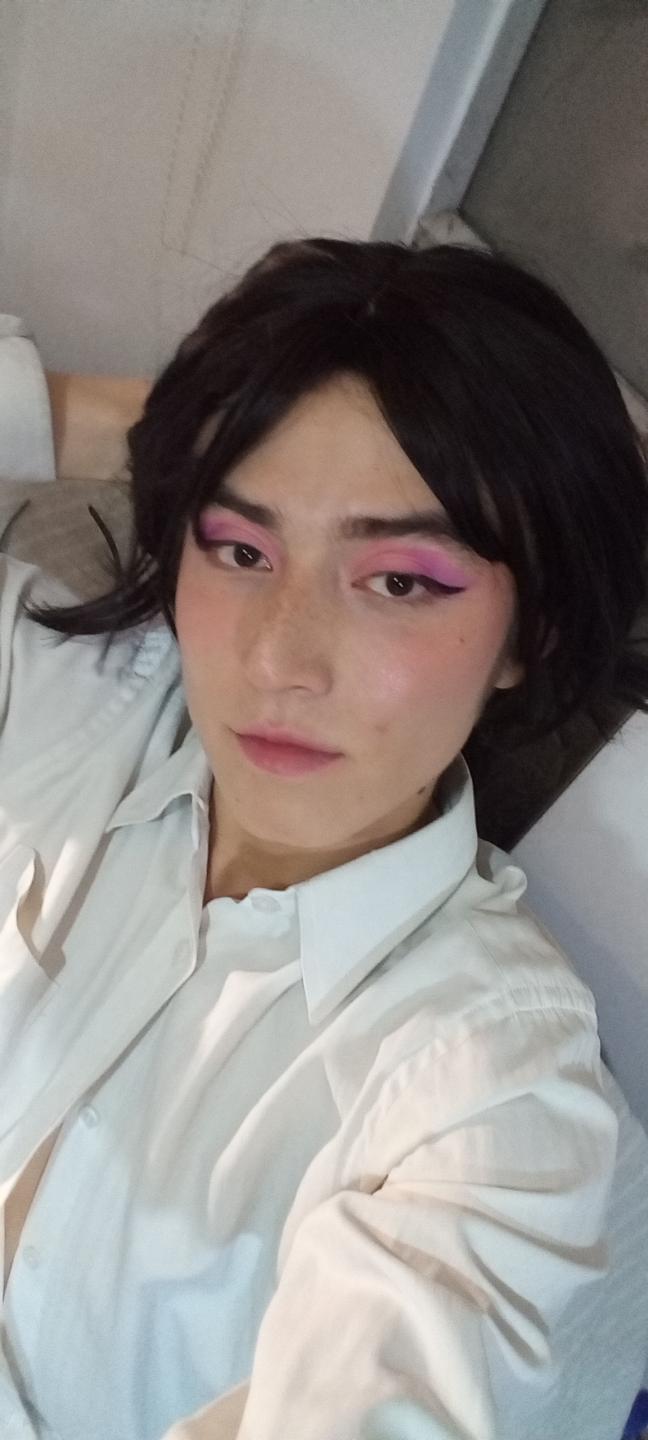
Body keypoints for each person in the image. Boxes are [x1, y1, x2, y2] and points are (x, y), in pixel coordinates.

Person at [1, 237, 648, 1440]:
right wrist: (166, 427)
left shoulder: (489, 1086)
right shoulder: (67, 703)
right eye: (241, 549)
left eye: (400, 581)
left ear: (532, 633)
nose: (278, 660)